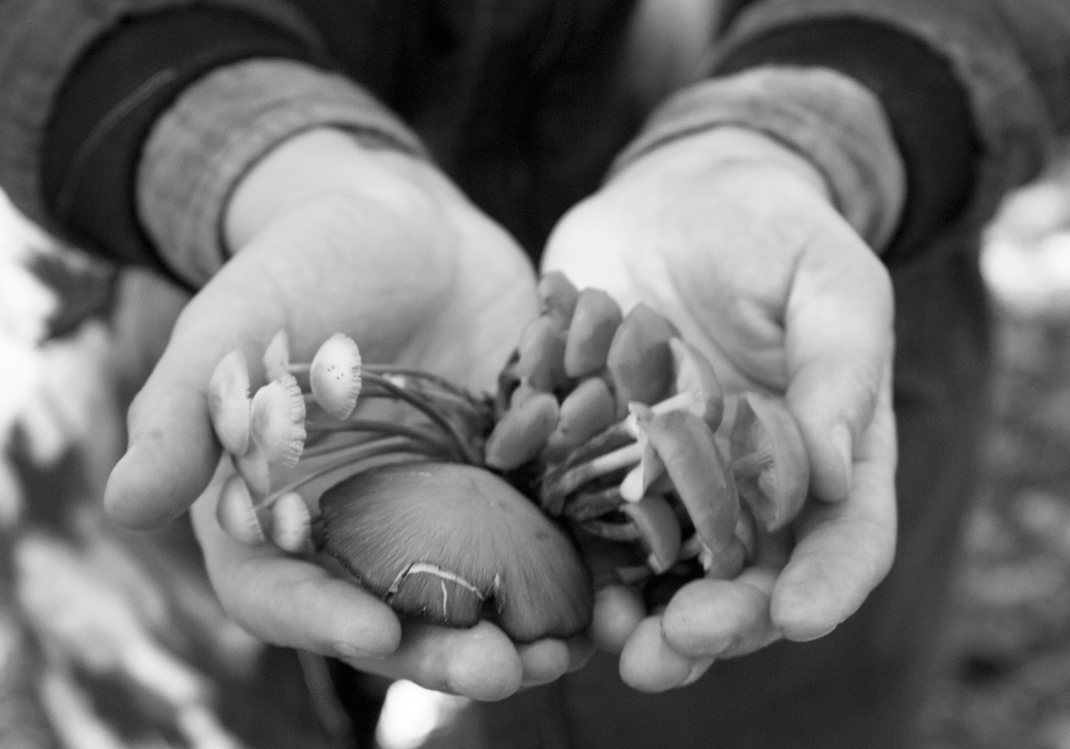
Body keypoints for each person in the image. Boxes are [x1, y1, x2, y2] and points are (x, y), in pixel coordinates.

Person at [0, 0, 1065, 746]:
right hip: (179, 284)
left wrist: (815, 125)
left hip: (780, 329)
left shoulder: (655, 406)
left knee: (746, 707)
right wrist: (235, 149)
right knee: (205, 693)